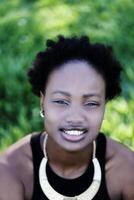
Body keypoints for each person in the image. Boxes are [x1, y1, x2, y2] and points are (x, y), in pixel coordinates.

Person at [0, 35, 134, 200]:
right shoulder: (11, 170)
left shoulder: (126, 168)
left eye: (91, 103)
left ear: (104, 106)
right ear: (43, 103)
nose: (75, 117)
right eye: (61, 101)